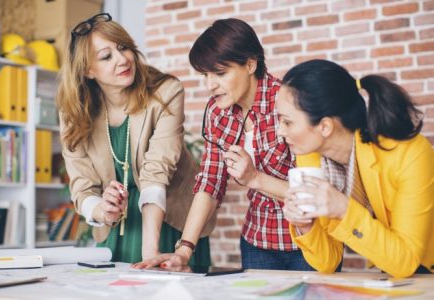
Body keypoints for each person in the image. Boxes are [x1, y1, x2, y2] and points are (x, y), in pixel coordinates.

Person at [134, 18, 314, 271]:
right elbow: (210, 180)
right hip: (258, 241)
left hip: (308, 243)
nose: (210, 85)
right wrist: (184, 250)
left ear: (250, 64)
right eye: (205, 75)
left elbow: (314, 189)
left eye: (220, 73)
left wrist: (254, 177)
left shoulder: (288, 103)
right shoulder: (219, 112)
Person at [57, 13, 215, 264]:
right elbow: (81, 186)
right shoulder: (74, 113)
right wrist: (102, 209)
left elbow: (157, 172)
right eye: (107, 56)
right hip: (117, 229)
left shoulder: (166, 92)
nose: (122, 60)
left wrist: (150, 253)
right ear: (87, 70)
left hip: (170, 220)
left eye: (123, 48)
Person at [276, 59, 434, 278]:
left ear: (324, 126)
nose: (279, 131)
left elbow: (405, 261)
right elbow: (327, 262)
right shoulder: (311, 158)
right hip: (397, 275)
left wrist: (343, 209)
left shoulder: (410, 153)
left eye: (287, 122)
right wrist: (306, 226)